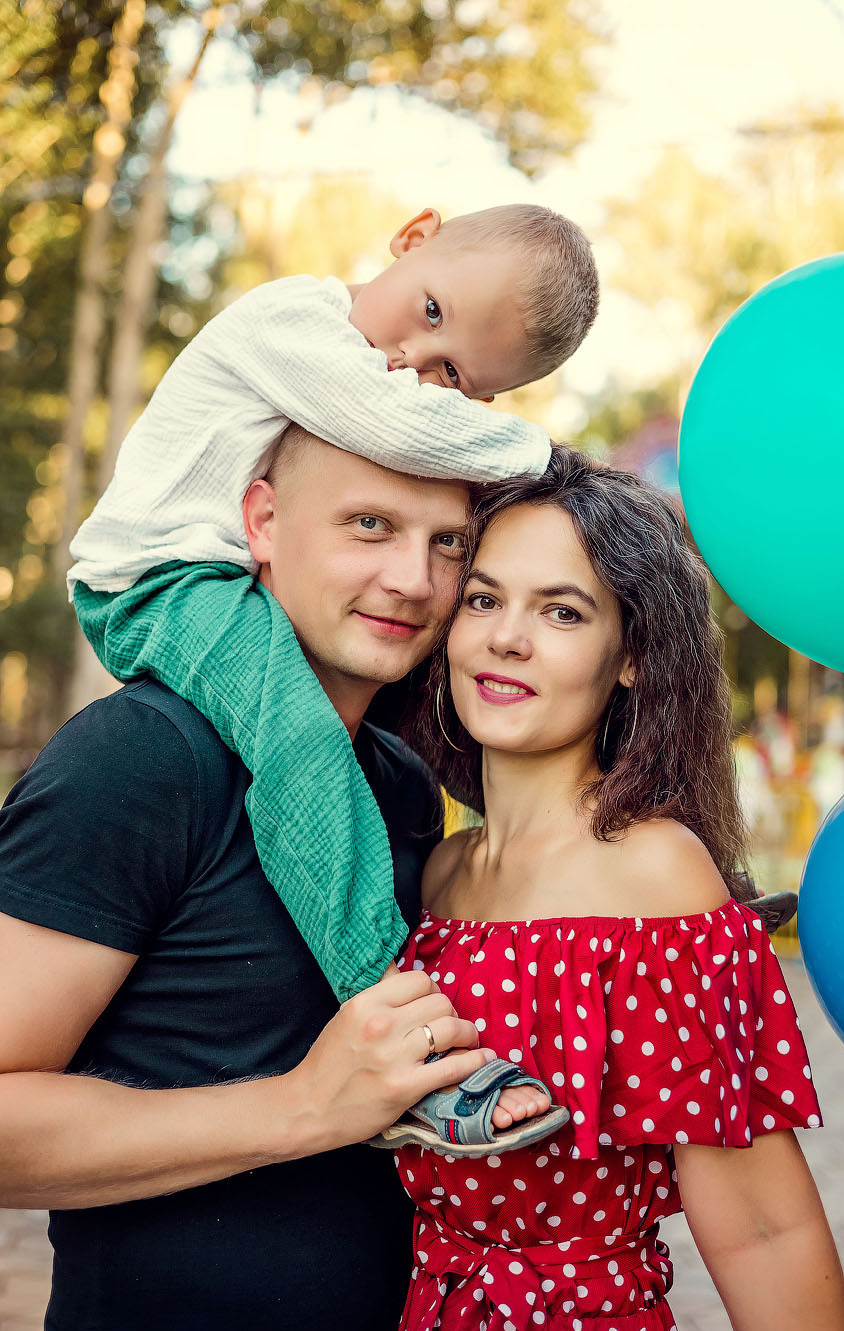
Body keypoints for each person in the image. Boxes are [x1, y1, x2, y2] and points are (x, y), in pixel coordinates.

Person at [0, 436, 553, 1331]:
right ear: (261, 522)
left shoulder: (402, 786)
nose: (413, 580)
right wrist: (302, 1107)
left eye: (448, 543)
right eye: (369, 525)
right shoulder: (140, 757)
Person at [68, 203, 599, 1004]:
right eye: (429, 311)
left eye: (452, 374)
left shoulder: (367, 368)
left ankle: (609, 848)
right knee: (296, 732)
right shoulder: (293, 320)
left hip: (220, 576)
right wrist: (545, 456)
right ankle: (384, 992)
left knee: (454, 692)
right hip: (155, 580)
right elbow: (392, 421)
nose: (411, 357)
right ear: (415, 235)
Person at [386, 448, 844, 1331]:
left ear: (632, 654)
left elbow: (764, 1227)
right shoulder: (440, 873)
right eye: (483, 599)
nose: (506, 638)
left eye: (562, 611)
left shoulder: (657, 876)